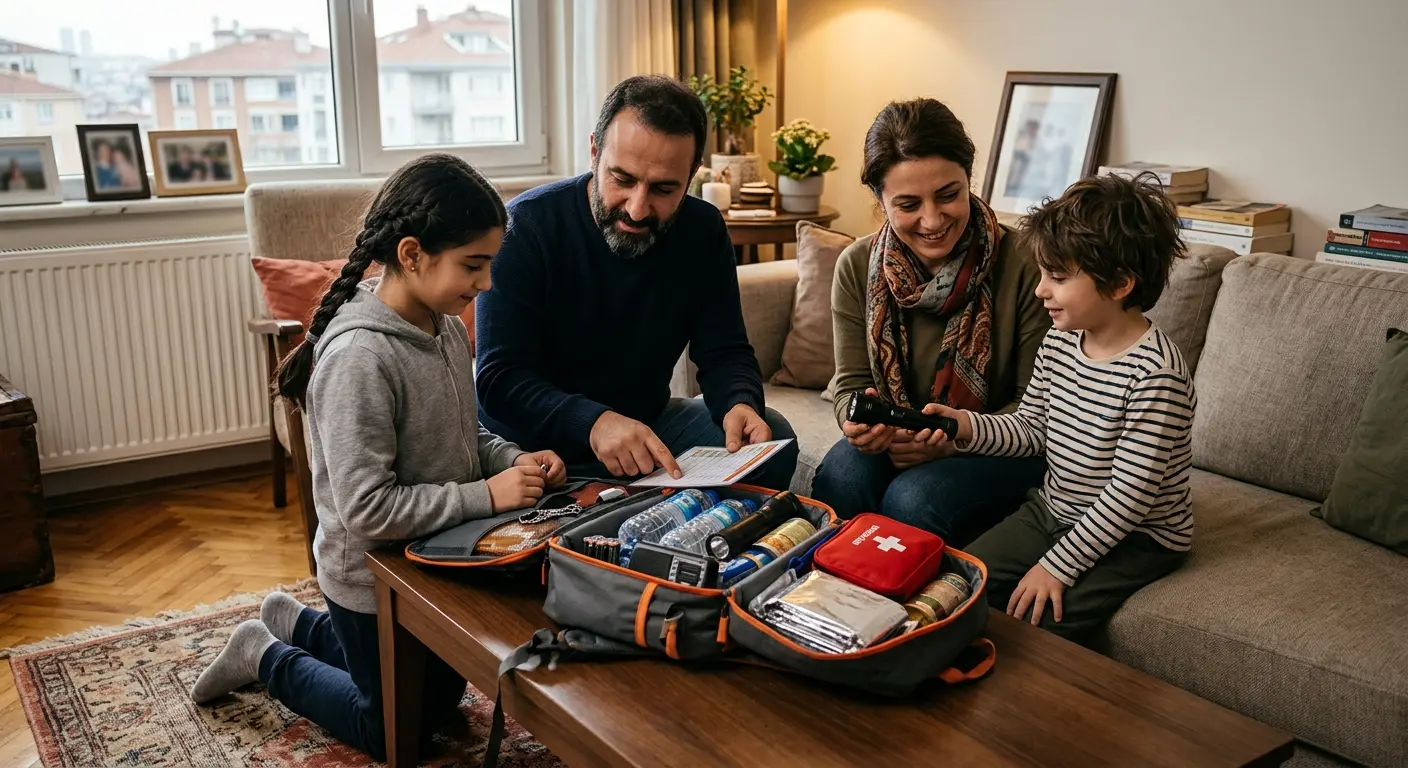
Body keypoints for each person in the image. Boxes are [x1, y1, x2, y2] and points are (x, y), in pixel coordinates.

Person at [189, 154, 565, 760]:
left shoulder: (444, 326)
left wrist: (512, 460)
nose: (487, 284)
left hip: (428, 559)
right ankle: (265, 651)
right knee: (396, 730)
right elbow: (366, 511)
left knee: (440, 700)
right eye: (474, 265)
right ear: (413, 255)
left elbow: (464, 434)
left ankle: (298, 623)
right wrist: (487, 496)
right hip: (369, 574)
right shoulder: (360, 358)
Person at [475, 75, 799, 490]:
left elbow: (725, 350)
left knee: (773, 437)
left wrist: (740, 401)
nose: (638, 207)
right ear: (594, 152)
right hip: (532, 451)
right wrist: (594, 422)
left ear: (692, 174)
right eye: (623, 179)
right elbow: (499, 379)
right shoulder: (526, 228)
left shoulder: (703, 231)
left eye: (664, 188)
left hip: (647, 431)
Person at [932, 173, 1195, 643]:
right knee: (958, 581)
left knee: (1046, 620)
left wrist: (1056, 566)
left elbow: (1127, 499)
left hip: (1139, 536)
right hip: (1055, 508)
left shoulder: (1157, 376)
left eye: (1057, 277)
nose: (1040, 291)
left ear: (1118, 284)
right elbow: (1033, 428)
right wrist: (964, 427)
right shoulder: (1060, 340)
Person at [811, 99, 1049, 544]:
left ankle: (918, 611)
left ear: (969, 179)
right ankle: (834, 603)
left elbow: (1037, 408)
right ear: (879, 200)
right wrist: (859, 424)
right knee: (843, 474)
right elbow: (850, 388)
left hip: (1003, 445)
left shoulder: (1026, 264)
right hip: (898, 441)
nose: (933, 220)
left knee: (914, 499)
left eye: (948, 195)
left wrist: (954, 433)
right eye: (908, 204)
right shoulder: (856, 266)